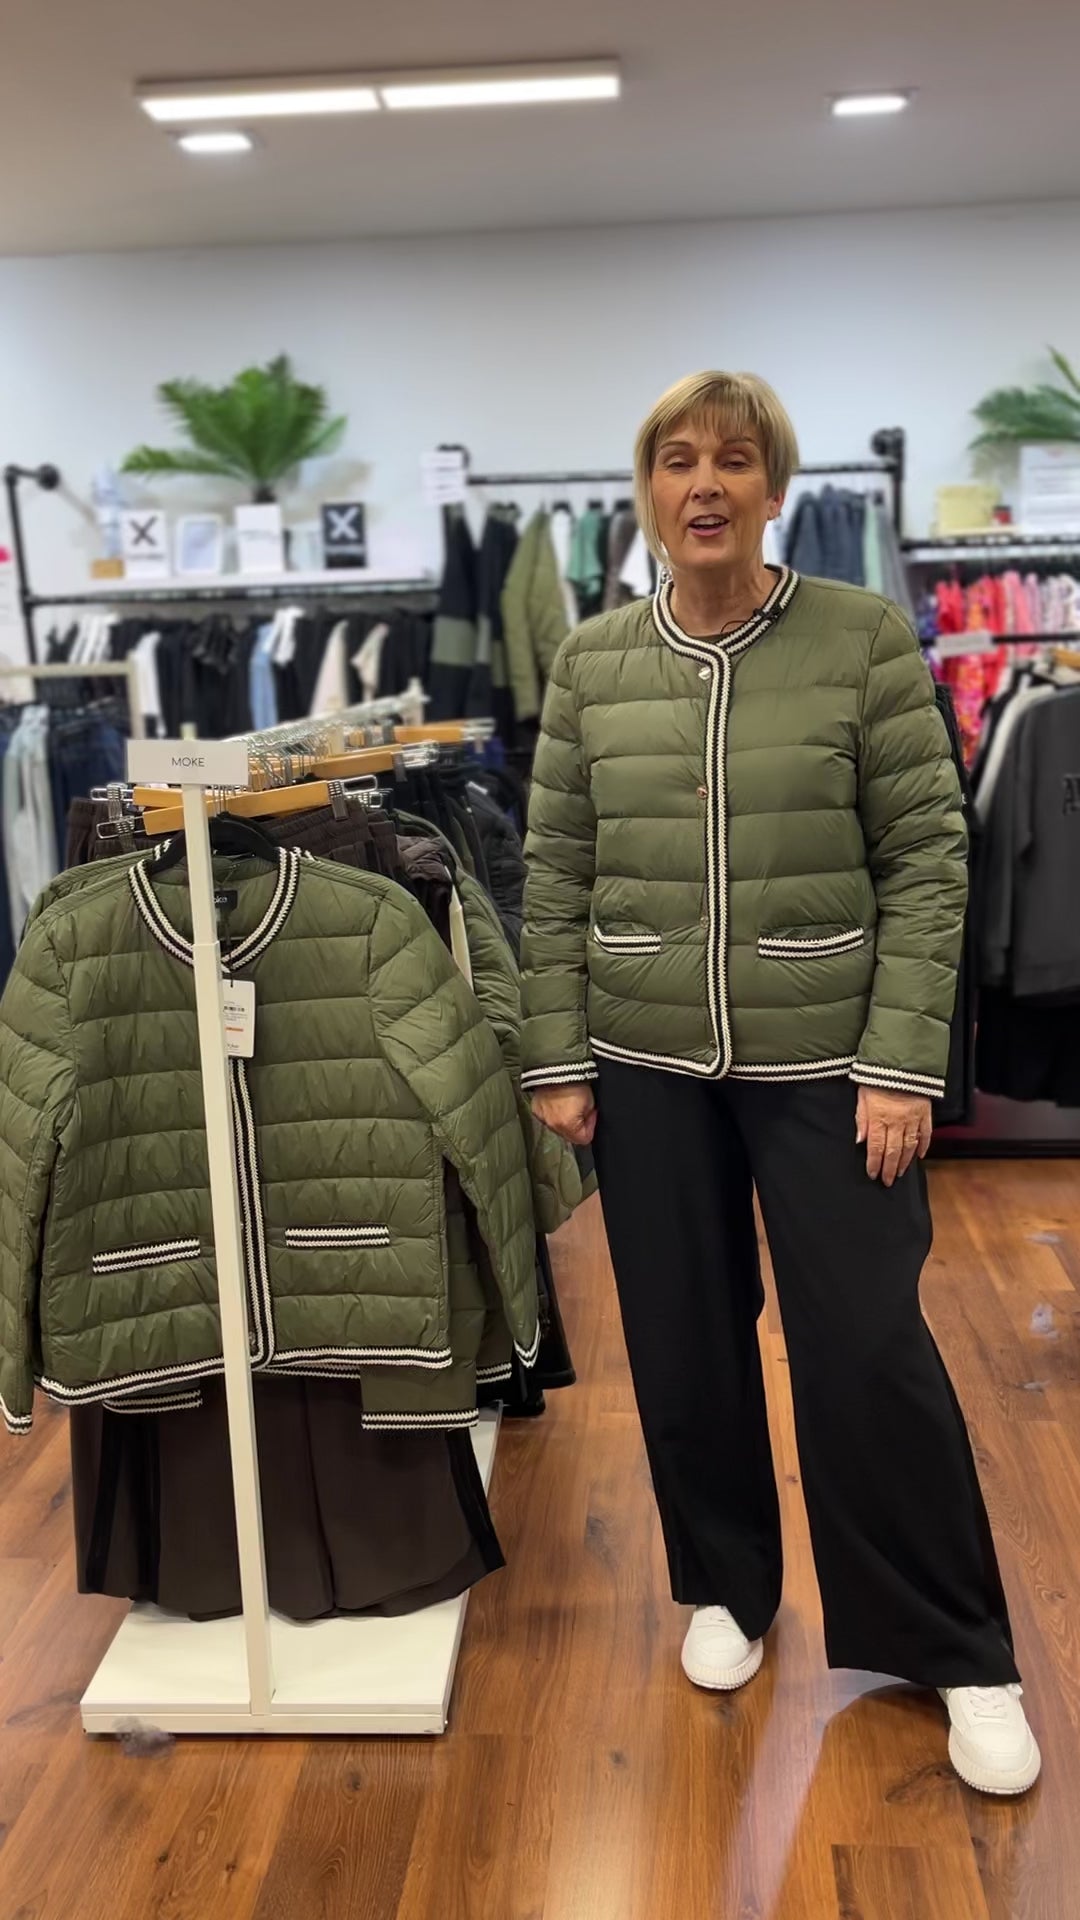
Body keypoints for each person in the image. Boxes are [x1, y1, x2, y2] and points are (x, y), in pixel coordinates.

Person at [520, 371, 1041, 1797]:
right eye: (677, 459)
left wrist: (901, 1063)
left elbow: (928, 860)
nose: (705, 484)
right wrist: (558, 1054)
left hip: (834, 1064)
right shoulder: (591, 663)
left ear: (773, 488)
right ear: (647, 491)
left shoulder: (861, 638)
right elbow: (555, 870)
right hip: (645, 1061)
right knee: (682, 1340)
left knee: (867, 1346)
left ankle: (956, 1646)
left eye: (733, 460)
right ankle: (726, 1586)